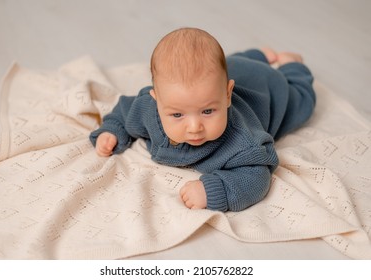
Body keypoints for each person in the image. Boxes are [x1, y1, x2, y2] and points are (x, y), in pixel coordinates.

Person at [89, 27, 316, 212]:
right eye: (177, 115)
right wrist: (113, 130)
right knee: (226, 64)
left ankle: (292, 65)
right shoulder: (149, 110)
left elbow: (257, 177)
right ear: (157, 101)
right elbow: (125, 110)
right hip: (231, 71)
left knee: (302, 102)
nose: (195, 127)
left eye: (208, 112)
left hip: (267, 88)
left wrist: (214, 190)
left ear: (227, 95)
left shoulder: (242, 142)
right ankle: (258, 55)